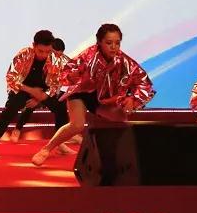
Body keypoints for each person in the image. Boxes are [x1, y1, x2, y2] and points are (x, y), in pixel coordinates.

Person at [31, 23, 155, 166]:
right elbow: (67, 71)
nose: (113, 47)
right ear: (99, 42)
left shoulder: (124, 61)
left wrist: (133, 98)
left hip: (103, 99)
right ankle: (46, 149)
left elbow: (144, 82)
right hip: (81, 93)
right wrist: (71, 76)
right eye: (109, 43)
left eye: (117, 43)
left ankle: (113, 157)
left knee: (121, 118)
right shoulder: (88, 55)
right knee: (77, 125)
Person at [0, 30, 70, 154]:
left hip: (43, 91)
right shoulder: (24, 54)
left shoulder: (55, 58)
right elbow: (11, 78)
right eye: (40, 51)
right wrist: (32, 91)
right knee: (11, 108)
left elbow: (56, 83)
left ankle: (59, 142)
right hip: (23, 88)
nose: (44, 55)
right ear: (34, 45)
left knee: (61, 105)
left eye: (47, 51)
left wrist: (40, 98)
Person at [9, 36, 67, 143]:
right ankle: (17, 130)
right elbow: (18, 80)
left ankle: (61, 135)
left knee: (63, 100)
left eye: (59, 55)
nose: (56, 57)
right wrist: (35, 96)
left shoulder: (61, 62)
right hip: (31, 90)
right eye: (54, 54)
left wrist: (40, 98)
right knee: (30, 102)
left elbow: (57, 85)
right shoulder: (32, 58)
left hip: (47, 93)